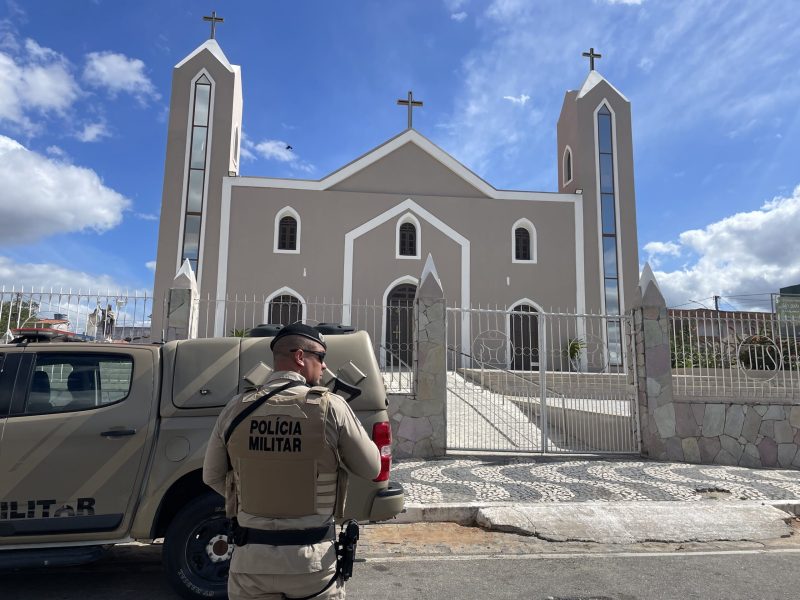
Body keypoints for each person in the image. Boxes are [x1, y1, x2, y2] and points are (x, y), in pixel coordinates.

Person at [203, 323, 380, 600]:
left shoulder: (236, 407)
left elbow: (211, 476)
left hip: (251, 563)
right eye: (320, 357)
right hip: (312, 564)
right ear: (300, 357)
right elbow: (372, 469)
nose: (323, 367)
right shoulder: (331, 407)